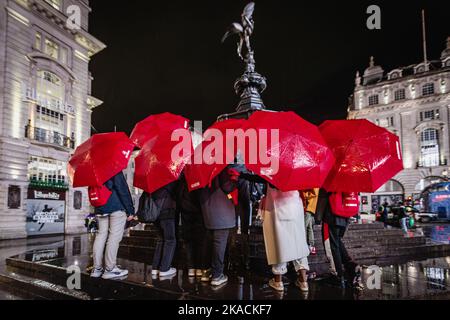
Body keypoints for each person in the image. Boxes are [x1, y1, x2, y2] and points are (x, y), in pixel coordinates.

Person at [259, 185, 310, 292]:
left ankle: (278, 282)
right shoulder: (298, 170)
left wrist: (242, 175)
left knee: (278, 243)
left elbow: (263, 180)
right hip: (295, 207)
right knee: (299, 243)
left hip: (277, 208)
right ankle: (303, 282)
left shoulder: (272, 171)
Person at [198, 167, 239, 287]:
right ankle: (217, 275)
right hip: (221, 211)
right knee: (219, 243)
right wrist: (235, 181)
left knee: (208, 242)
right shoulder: (221, 167)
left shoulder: (202, 168)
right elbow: (227, 187)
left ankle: (205, 272)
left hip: (207, 209)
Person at [91, 171, 135, 280]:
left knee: (100, 236)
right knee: (114, 237)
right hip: (116, 206)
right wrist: (130, 210)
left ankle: (96, 269)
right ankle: (110, 269)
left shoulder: (92, 169)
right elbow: (122, 189)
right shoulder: (112, 167)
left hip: (100, 207)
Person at [322, 191, 362, 289]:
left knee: (332, 246)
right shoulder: (349, 178)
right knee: (337, 242)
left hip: (332, 216)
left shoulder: (333, 180)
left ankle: (337, 276)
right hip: (344, 216)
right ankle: (351, 266)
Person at [178, 174, 207, 278]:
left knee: (189, 242)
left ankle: (191, 268)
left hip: (186, 213)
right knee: (199, 241)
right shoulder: (199, 179)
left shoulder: (182, 180)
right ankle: (199, 268)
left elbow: (179, 197)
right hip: (199, 214)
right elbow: (202, 197)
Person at [151, 180, 179, 279]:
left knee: (161, 240)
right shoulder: (168, 180)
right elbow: (176, 193)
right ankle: (164, 269)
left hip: (155, 212)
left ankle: (155, 268)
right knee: (170, 240)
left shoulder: (152, 178)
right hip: (167, 211)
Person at [301, 189, 320, 255]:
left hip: (309, 207)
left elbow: (314, 194)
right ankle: (311, 246)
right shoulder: (316, 183)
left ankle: (304, 245)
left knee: (304, 227)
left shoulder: (315, 184)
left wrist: (304, 194)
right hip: (312, 208)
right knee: (309, 227)